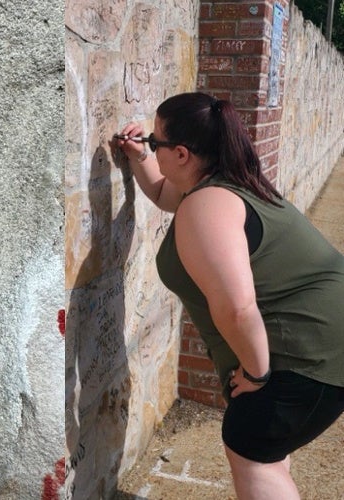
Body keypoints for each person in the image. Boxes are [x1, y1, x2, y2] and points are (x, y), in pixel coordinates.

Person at [113, 92, 344, 500]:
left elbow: (236, 309)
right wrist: (139, 156)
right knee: (265, 444)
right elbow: (166, 193)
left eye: (156, 142)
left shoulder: (207, 206)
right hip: (324, 337)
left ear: (182, 153)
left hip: (310, 351)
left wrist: (256, 374)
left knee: (251, 445)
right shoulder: (225, 182)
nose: (151, 146)